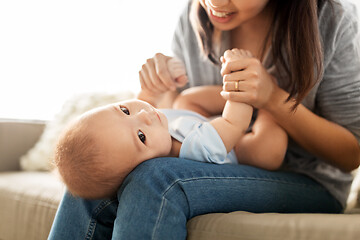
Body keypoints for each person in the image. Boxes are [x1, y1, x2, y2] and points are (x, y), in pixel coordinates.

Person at [49, 0, 360, 239]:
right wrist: (162, 84)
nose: (214, 2)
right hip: (225, 157)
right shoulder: (196, 13)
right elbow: (174, 120)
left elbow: (351, 155)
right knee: (91, 169)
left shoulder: (333, 21)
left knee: (156, 178)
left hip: (307, 181)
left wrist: (272, 99)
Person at [54, 49, 287, 200]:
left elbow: (146, 100)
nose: (143, 115)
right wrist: (240, 85)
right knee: (267, 151)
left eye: (124, 110)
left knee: (185, 99)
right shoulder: (195, 148)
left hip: (202, 121)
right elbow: (233, 122)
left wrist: (159, 83)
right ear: (144, 168)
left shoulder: (152, 124)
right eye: (141, 137)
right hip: (233, 146)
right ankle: (268, 104)